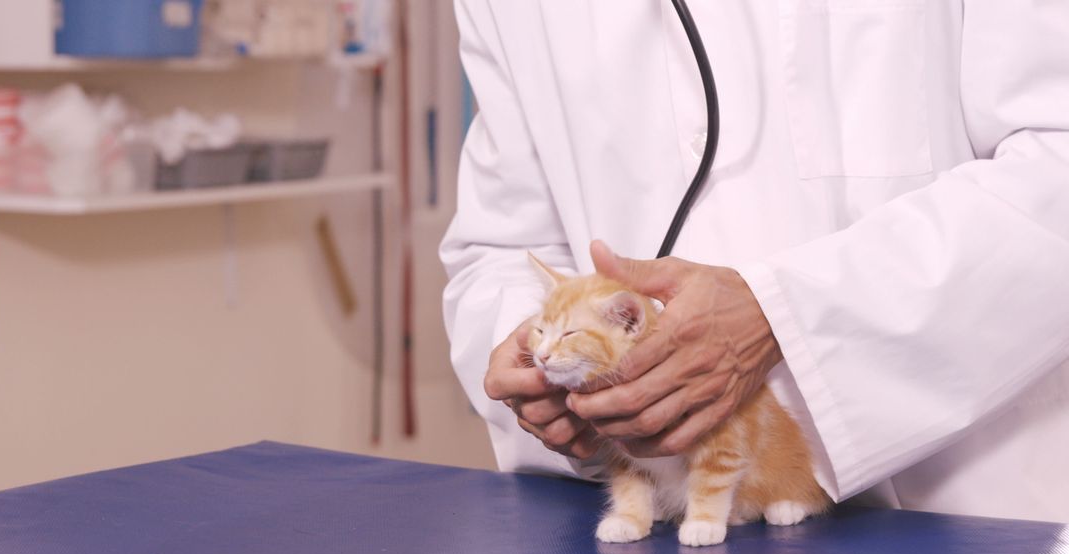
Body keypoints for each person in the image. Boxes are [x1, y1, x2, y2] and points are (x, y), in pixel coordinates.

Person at [440, 1, 1069, 523]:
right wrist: (539, 366)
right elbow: (500, 248)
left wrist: (784, 317)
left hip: (970, 512)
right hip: (662, 513)